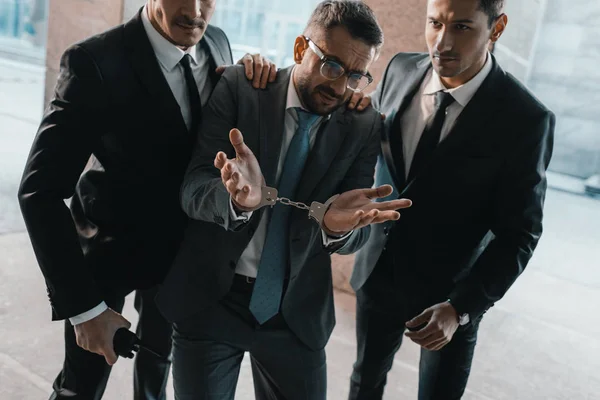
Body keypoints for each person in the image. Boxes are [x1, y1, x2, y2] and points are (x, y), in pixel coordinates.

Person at [17, 0, 277, 399]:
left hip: (180, 260)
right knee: (80, 387)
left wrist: (256, 76)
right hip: (107, 254)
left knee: (157, 377)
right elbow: (40, 191)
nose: (194, 10)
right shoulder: (94, 62)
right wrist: (84, 309)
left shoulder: (219, 44)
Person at [155, 1, 412, 399]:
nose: (342, 87)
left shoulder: (362, 124)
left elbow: (356, 226)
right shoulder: (242, 88)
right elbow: (193, 189)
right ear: (299, 49)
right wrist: (236, 202)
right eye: (332, 66)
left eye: (358, 75)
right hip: (212, 299)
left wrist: (335, 229)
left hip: (296, 312)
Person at [348, 0, 555, 399]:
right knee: (363, 382)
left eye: (462, 27)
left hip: (451, 294)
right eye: (434, 23)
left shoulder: (525, 119)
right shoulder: (399, 69)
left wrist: (461, 308)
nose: (441, 42)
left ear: (497, 28)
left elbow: (520, 233)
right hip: (378, 271)